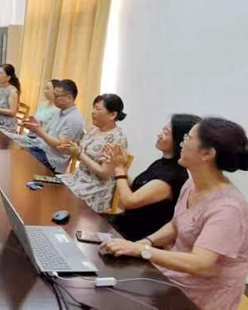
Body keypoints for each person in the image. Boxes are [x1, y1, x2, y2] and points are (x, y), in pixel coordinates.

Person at [101, 117, 248, 310]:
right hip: (174, 277)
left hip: (200, 296)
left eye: (188, 138)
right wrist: (146, 242)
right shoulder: (191, 184)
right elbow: (176, 224)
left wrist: (143, 251)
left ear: (207, 153)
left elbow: (201, 263)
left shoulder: (228, 208)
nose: (181, 143)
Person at [104, 114, 201, 240]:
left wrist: (119, 169)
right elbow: (138, 187)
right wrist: (119, 169)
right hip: (123, 224)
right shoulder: (161, 163)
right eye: (162, 130)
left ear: (179, 140)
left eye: (166, 133)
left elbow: (129, 201)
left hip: (136, 237)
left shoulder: (172, 175)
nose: (159, 135)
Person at [57, 94, 128, 213]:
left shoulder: (116, 139)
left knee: (59, 197)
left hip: (96, 188)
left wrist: (80, 154)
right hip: (78, 178)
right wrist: (71, 148)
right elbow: (83, 151)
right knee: (51, 185)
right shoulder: (95, 129)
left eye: (98, 109)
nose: (93, 112)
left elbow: (104, 174)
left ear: (112, 115)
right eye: (93, 108)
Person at [19, 79, 84, 174]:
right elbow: (47, 131)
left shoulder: (73, 119)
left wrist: (38, 130)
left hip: (52, 161)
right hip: (43, 149)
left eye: (57, 96)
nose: (54, 98)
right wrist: (35, 126)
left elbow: (59, 145)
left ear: (69, 98)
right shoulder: (60, 112)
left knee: (19, 160)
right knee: (15, 149)